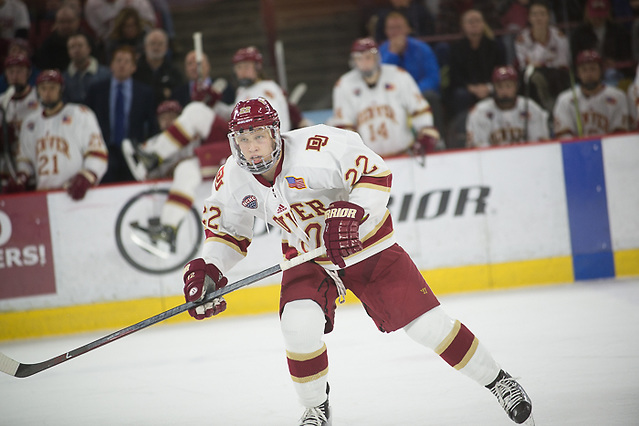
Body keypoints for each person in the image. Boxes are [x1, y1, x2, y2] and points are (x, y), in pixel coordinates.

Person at [180, 96, 535, 426]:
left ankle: (500, 381)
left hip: (366, 247)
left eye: (258, 136)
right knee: (297, 324)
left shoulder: (318, 146)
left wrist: (354, 213)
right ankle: (316, 406)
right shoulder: (233, 178)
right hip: (308, 255)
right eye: (243, 139)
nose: (252, 147)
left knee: (428, 326)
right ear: (233, 142)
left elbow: (375, 174)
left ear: (275, 134)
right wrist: (210, 270)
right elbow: (226, 233)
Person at [121, 99, 229, 254]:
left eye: (172, 116)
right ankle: (152, 159)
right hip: (229, 142)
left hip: (240, 147)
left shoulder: (194, 133)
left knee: (186, 168)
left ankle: (166, 231)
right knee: (195, 110)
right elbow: (141, 176)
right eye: (163, 117)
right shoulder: (153, 143)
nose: (168, 120)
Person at [330, 37, 440, 157]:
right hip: (370, 163)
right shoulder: (344, 85)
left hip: (405, 156)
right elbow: (343, 125)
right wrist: (353, 153)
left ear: (377, 58)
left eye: (368, 57)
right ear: (353, 61)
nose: (364, 63)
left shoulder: (399, 76)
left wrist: (425, 134)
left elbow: (419, 110)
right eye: (359, 59)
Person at [12, 69, 108, 199]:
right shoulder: (30, 123)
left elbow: (97, 153)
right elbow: (25, 160)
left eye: (52, 88)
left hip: (74, 193)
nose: (48, 93)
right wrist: (21, 178)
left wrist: (87, 176)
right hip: (43, 196)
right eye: (43, 88)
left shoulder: (80, 114)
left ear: (61, 89)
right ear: (38, 91)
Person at [85, 45, 156, 183]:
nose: (122, 65)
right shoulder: (97, 90)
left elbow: (153, 124)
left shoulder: (145, 92)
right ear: (111, 65)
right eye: (118, 60)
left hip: (133, 152)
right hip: (104, 151)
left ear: (134, 67)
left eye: (127, 61)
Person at [378, 11, 444, 142]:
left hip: (419, 93)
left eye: (399, 27)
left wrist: (412, 93)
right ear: (386, 31)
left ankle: (436, 139)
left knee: (432, 97)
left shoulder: (422, 49)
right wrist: (393, 54)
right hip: (390, 97)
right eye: (391, 28)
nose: (395, 32)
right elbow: (379, 79)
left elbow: (433, 78)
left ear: (408, 29)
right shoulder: (381, 52)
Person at [446, 9, 507, 148]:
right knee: (459, 95)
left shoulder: (495, 46)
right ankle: (463, 131)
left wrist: (489, 87)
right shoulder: (456, 49)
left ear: (483, 23)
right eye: (470, 21)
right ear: (463, 25)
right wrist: (472, 88)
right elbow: (454, 77)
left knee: (503, 91)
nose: (474, 24)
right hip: (467, 89)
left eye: (477, 21)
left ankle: (501, 128)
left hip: (491, 87)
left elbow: (502, 71)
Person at [553, 49, 631, 138]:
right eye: (584, 70)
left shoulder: (617, 97)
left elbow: (619, 135)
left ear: (601, 71)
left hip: (610, 149)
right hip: (577, 150)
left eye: (593, 69)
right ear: (578, 73)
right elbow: (564, 136)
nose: (589, 74)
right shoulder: (565, 100)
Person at [212, 46, 291, 132]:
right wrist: (214, 103)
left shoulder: (267, 88)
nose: (242, 72)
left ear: (257, 67)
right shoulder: (242, 90)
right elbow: (232, 114)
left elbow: (273, 121)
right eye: (239, 67)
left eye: (246, 67)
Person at [466, 65, 549, 148]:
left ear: (516, 87)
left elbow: (540, 143)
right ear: (494, 88)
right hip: (492, 159)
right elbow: (478, 146)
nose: (504, 91)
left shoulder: (530, 108)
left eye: (508, 86)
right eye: (500, 86)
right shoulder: (480, 111)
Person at [514, 0, 571, 113]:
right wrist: (543, 56)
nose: (538, 18)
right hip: (533, 76)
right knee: (531, 78)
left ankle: (556, 110)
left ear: (548, 17)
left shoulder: (559, 36)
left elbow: (562, 62)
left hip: (556, 75)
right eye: (534, 14)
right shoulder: (521, 39)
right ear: (529, 18)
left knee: (559, 76)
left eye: (542, 14)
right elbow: (524, 65)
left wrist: (540, 63)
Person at [569, 0, 633, 87]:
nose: (597, 19)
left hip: (614, 74)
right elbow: (574, 60)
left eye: (600, 15)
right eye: (594, 15)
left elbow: (626, 56)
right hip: (587, 74)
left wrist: (615, 63)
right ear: (587, 13)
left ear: (608, 13)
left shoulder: (619, 31)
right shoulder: (578, 34)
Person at [133, 28, 183, 104]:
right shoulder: (135, 70)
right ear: (145, 46)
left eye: (160, 44)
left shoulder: (173, 72)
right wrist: (162, 92)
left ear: (166, 47)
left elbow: (177, 95)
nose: (156, 47)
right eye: (152, 43)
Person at [62, 33, 111, 104]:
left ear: (89, 49)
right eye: (72, 47)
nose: (76, 50)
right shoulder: (64, 78)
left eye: (80, 45)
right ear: (68, 52)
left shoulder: (106, 74)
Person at [33, 5, 82, 71]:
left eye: (69, 21)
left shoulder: (87, 40)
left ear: (77, 22)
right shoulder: (48, 45)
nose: (65, 26)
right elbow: (41, 67)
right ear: (56, 23)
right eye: (62, 22)